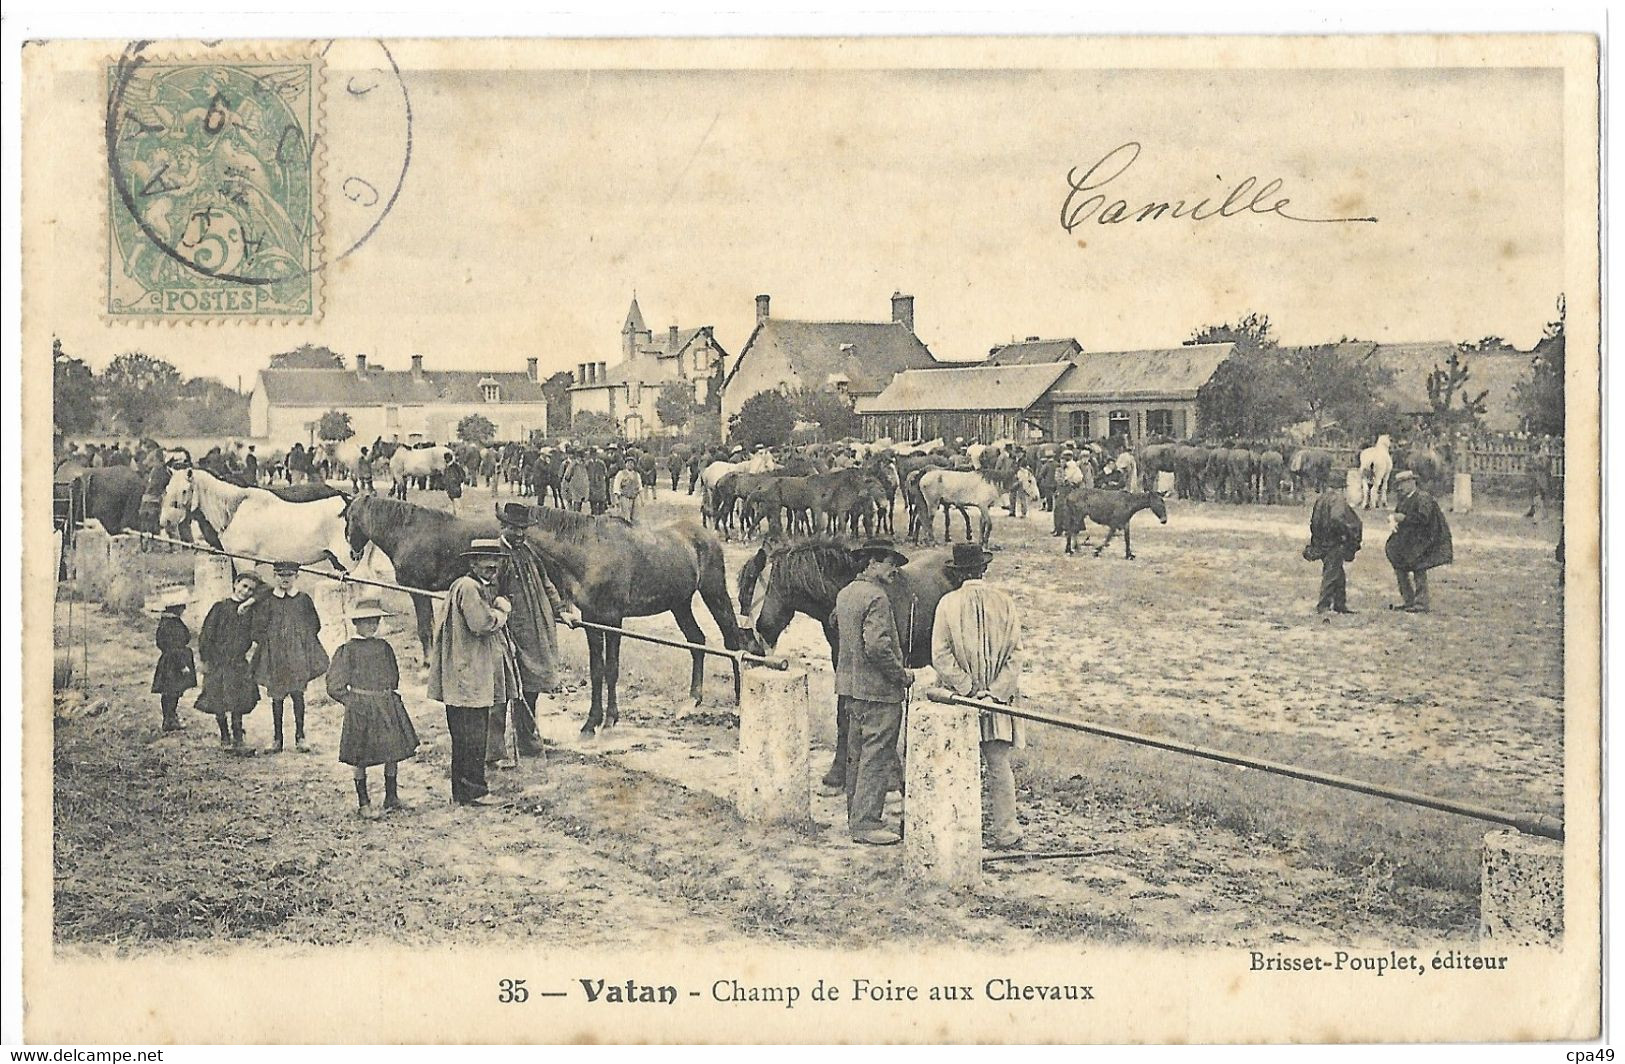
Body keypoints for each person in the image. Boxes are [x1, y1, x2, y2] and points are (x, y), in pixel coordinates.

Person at [928, 543, 1025, 849]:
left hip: (959, 702)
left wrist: (968, 690)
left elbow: (939, 655)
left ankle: (957, 832)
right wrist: (995, 695)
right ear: (984, 570)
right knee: (999, 767)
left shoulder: (947, 604)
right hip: (996, 704)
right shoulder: (1006, 603)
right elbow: (1015, 655)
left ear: (958, 574)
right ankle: (1006, 831)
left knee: (956, 764)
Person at [829, 538, 915, 846]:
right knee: (876, 757)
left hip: (850, 690)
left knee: (856, 754)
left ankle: (856, 816)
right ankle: (866, 823)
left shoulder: (846, 593)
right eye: (890, 562)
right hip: (879, 691)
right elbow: (877, 646)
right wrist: (901, 674)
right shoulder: (877, 597)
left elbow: (841, 630)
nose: (894, 569)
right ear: (872, 563)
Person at [486, 502, 580, 768]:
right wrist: (503, 635)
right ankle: (493, 752)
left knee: (530, 690)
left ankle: (527, 742)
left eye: (522, 529)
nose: (519, 534)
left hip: (533, 633)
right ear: (503, 526)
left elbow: (547, 584)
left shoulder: (528, 551)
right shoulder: (496, 556)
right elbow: (491, 598)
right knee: (502, 693)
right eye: (514, 529)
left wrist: (561, 611)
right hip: (508, 635)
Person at [428, 539, 518, 806]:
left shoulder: (472, 586)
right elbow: (481, 624)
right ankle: (475, 792)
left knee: (464, 735)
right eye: (485, 562)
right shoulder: (469, 587)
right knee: (473, 734)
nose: (492, 567)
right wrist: (502, 611)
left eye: (496, 562)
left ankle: (462, 792)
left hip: (463, 670)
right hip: (469, 672)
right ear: (472, 562)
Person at [327, 599, 419, 819]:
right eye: (366, 622)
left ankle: (391, 797)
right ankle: (364, 802)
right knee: (361, 755)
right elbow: (334, 686)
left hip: (386, 704)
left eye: (374, 621)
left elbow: (393, 675)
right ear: (356, 623)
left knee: (392, 751)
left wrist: (388, 696)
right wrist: (355, 702)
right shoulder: (347, 650)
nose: (371, 626)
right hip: (361, 708)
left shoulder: (384, 647)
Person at [252, 561, 330, 754]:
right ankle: (277, 739)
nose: (284, 579)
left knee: (298, 695)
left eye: (289, 575)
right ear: (274, 576)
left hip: (296, 655)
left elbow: (314, 624)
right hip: (275, 656)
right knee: (277, 698)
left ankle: (300, 736)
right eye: (280, 575)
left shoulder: (303, 599)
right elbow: (257, 627)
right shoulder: (268, 600)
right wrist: (269, 642)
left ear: (297, 577)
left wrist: (301, 640)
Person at [196, 571, 264, 754]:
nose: (246, 591)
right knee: (218, 699)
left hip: (238, 662)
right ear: (235, 584)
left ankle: (238, 738)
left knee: (238, 701)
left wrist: (251, 602)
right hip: (218, 661)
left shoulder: (250, 610)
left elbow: (268, 589)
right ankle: (224, 735)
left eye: (251, 590)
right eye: (244, 586)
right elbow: (206, 635)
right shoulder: (220, 607)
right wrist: (205, 659)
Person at [1386, 470, 1453, 612]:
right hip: (1409, 539)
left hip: (1425, 540)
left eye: (1402, 484)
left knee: (1419, 567)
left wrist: (1403, 518)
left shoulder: (1423, 498)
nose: (1399, 488)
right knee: (1399, 566)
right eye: (1398, 485)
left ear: (1412, 483)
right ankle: (1409, 600)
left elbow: (1423, 519)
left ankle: (1421, 602)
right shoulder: (1404, 499)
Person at [1305, 484, 1363, 614]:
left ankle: (1340, 604)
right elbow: (1337, 518)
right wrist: (1344, 534)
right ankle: (1324, 605)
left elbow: (1314, 521)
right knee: (1331, 574)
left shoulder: (1322, 498)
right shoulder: (1337, 499)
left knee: (1338, 574)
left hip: (1323, 541)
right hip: (1334, 542)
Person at [148, 586, 196, 733]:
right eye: (182, 607)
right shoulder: (172, 625)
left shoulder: (166, 622)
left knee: (172, 691)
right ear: (177, 608)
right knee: (171, 692)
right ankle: (169, 719)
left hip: (169, 661)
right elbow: (174, 647)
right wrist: (182, 665)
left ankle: (170, 717)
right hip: (173, 663)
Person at [612, 458, 643, 523]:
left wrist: (642, 499)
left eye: (632, 463)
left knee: (634, 515)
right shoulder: (621, 473)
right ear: (625, 464)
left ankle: (633, 528)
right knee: (626, 515)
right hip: (624, 497)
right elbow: (616, 486)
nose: (630, 464)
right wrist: (616, 498)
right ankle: (626, 527)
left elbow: (639, 487)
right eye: (628, 463)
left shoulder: (637, 474)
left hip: (634, 497)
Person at [587, 450, 609, 515]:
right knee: (593, 501)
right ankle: (594, 515)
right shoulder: (588, 463)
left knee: (601, 501)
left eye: (595, 455)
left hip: (600, 484)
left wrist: (602, 479)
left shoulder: (601, 463)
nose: (594, 456)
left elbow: (605, 473)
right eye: (592, 455)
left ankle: (601, 515)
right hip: (591, 485)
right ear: (590, 455)